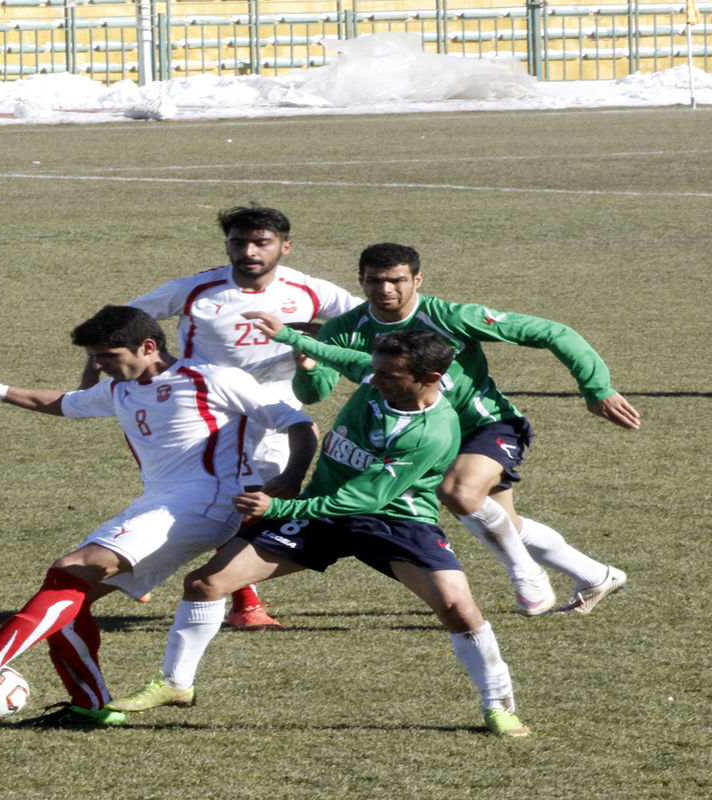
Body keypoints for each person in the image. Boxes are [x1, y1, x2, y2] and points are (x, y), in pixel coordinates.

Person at [0, 305, 316, 727]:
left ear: (148, 346)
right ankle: (90, 707)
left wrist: (291, 477)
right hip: (159, 501)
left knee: (73, 569)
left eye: (106, 356)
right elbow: (59, 403)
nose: (98, 365)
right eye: (95, 357)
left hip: (205, 503)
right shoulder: (121, 389)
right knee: (70, 599)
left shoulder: (213, 378)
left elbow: (300, 424)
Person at [110, 328, 531, 737]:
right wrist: (292, 338)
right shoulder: (375, 376)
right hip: (321, 513)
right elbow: (348, 360)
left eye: (388, 375)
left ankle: (498, 705)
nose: (374, 379)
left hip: (394, 520)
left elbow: (361, 500)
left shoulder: (430, 433)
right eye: (376, 370)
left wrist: (280, 507)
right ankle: (177, 683)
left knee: (458, 609)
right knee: (205, 584)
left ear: (430, 378)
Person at [293, 242, 638, 615]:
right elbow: (315, 394)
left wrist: (596, 388)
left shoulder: (448, 317)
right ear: (360, 280)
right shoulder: (345, 328)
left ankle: (526, 572)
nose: (386, 289)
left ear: (417, 279)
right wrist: (308, 368)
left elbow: (554, 332)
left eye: (396, 280)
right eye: (375, 281)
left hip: (486, 425)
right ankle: (595, 575)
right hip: (424, 438)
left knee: (458, 491)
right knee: (505, 523)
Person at [80, 205, 361, 629]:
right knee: (217, 499)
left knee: (249, 502)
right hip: (199, 415)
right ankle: (241, 602)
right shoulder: (198, 289)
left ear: (284, 246)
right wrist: (93, 380)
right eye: (238, 242)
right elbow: (116, 322)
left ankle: (150, 565)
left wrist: (315, 343)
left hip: (273, 415)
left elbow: (368, 322)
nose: (249, 251)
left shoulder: (310, 291)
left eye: (260, 242)